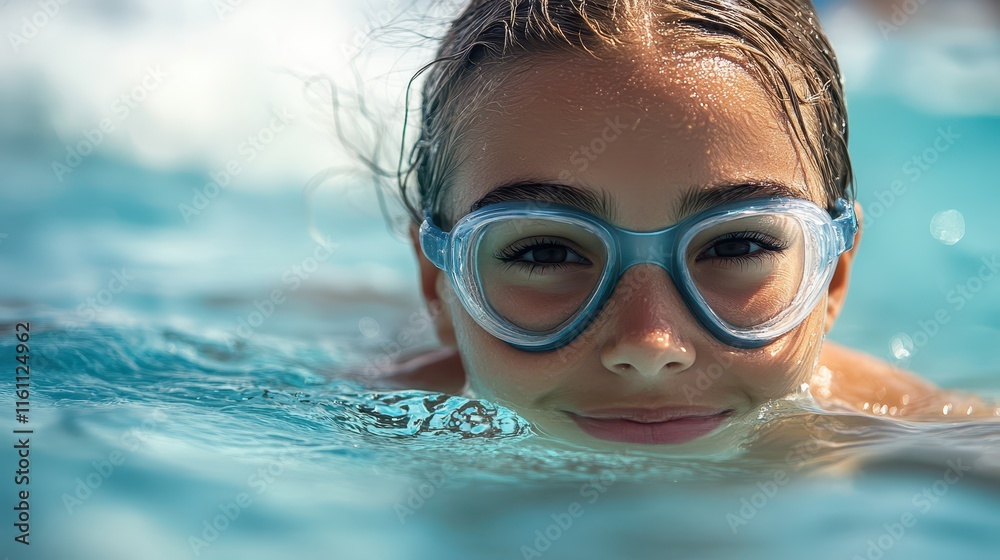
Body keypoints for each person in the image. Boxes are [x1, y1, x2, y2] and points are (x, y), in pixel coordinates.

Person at [364, 0, 994, 446]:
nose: (648, 345)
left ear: (831, 279)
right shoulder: (368, 420)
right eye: (546, 253)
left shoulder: (928, 441)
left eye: (735, 244)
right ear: (438, 286)